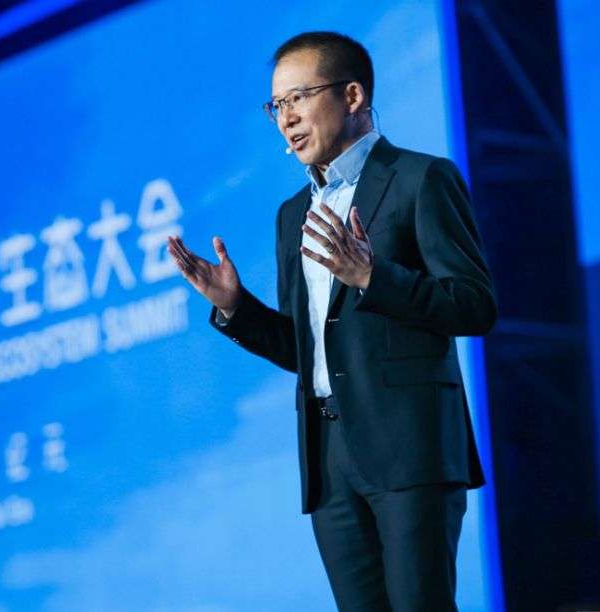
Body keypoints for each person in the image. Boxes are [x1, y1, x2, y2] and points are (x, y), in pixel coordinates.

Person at [166, 31, 497, 611]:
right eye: (276, 105)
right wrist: (236, 307)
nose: (286, 118)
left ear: (352, 95)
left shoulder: (420, 179)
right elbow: (308, 350)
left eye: (299, 98)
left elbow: (473, 304)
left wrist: (373, 276)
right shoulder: (293, 214)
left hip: (409, 447)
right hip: (329, 457)